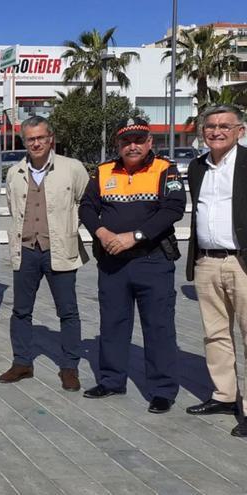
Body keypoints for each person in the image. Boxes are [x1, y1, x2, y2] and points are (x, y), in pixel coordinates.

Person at [79, 117, 185, 414]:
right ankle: (112, 380)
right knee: (112, 324)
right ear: (118, 145)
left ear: (150, 142)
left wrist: (134, 237)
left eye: (139, 140)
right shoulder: (102, 172)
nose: (133, 146)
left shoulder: (165, 169)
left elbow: (174, 208)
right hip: (113, 263)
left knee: (159, 327)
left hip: (152, 260)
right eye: (126, 141)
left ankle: (163, 390)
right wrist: (101, 232)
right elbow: (87, 207)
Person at [0, 116, 89, 391]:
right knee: (21, 311)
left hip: (60, 250)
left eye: (40, 137)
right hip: (26, 250)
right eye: (30, 139)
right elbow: (14, 208)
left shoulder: (72, 168)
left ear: (51, 138)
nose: (36, 143)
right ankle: (22, 362)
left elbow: (86, 203)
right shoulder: (15, 172)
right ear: (24, 141)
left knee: (68, 312)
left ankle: (69, 367)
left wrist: (70, 228)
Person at [182, 105, 247, 437]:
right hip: (207, 260)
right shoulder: (197, 167)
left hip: (242, 262)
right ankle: (224, 395)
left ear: (240, 130)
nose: (216, 131)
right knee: (216, 334)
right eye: (210, 126)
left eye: (225, 126)